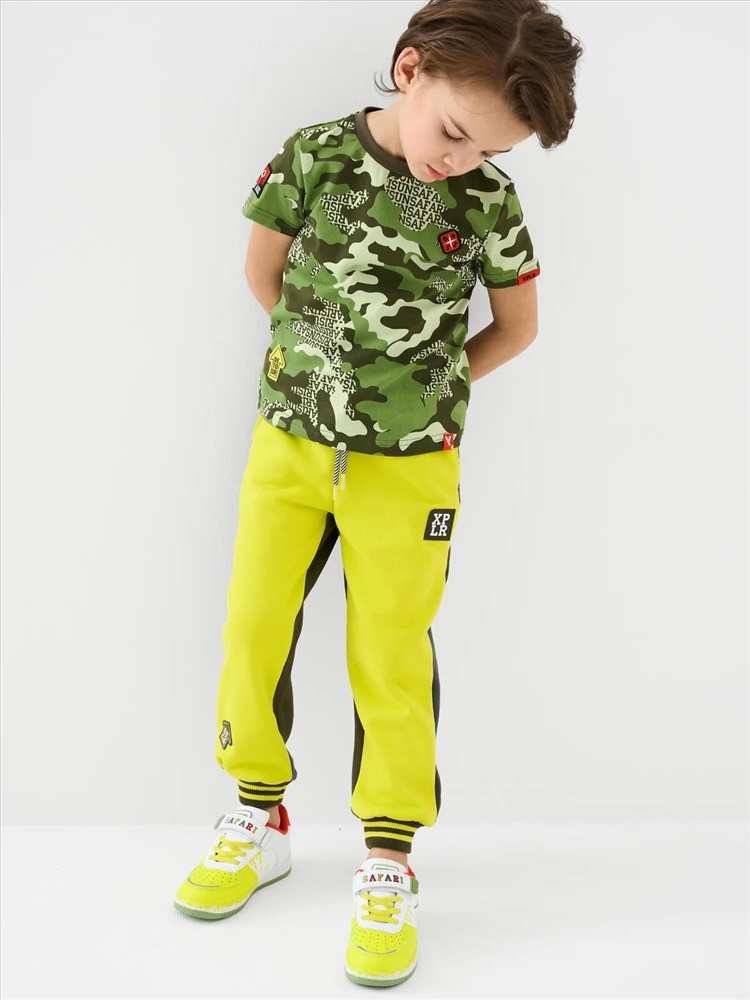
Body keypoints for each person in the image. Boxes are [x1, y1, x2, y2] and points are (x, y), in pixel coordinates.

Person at [174, 0, 582, 987]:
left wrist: (425, 391)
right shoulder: (313, 157)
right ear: (410, 69)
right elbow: (264, 274)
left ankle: (389, 856)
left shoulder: (487, 203)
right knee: (253, 623)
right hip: (290, 441)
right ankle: (259, 815)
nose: (459, 161)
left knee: (390, 649)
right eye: (455, 131)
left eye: (489, 151)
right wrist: (323, 377)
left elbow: (517, 327)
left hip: (410, 466)